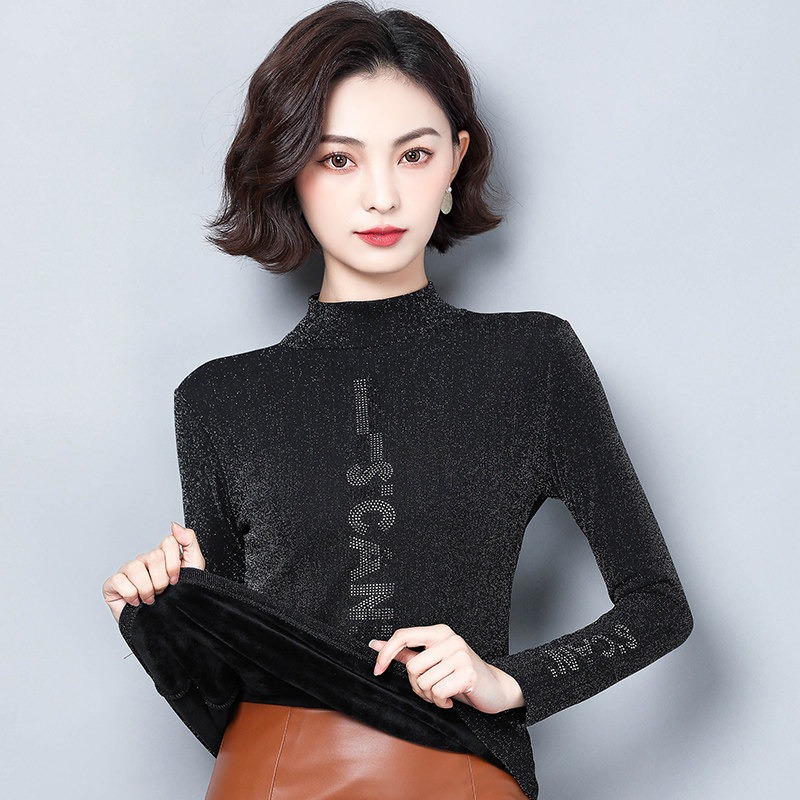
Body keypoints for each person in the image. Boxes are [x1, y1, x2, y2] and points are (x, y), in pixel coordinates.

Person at [101, 2, 694, 798]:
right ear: (290, 169)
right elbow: (235, 691)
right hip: (266, 778)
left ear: (455, 160)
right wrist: (160, 616)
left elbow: (658, 607)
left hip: (458, 776)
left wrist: (510, 682)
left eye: (412, 155)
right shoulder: (217, 400)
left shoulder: (532, 360)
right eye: (338, 160)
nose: (380, 196)